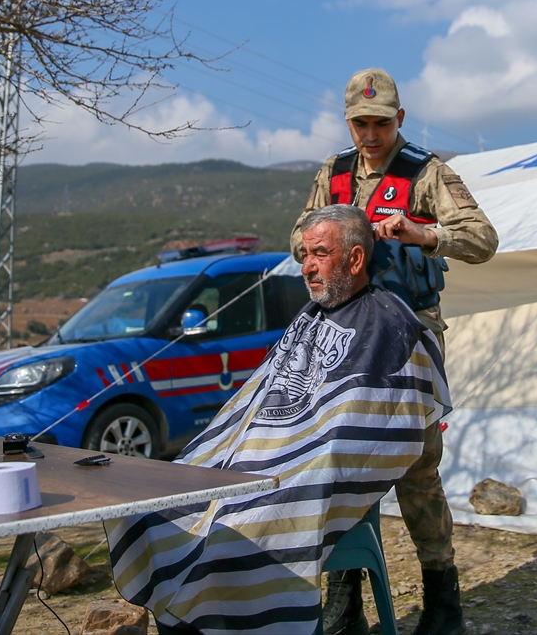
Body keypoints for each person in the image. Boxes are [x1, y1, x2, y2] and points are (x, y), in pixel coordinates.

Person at [106, 205, 451, 635]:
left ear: (357, 259)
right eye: (304, 255)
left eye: (319, 254)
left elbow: (368, 435)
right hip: (263, 458)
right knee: (158, 507)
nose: (306, 267)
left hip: (301, 472)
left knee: (234, 529)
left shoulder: (391, 325)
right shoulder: (312, 316)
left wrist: (290, 463)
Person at [291, 69, 498, 635]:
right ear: (348, 122)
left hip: (410, 338)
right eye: (361, 123)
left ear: (399, 120)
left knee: (415, 466)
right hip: (343, 335)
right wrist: (335, 236)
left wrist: (423, 233)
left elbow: (483, 239)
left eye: (381, 123)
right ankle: (345, 599)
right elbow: (297, 238)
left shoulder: (427, 173)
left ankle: (442, 599)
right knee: (337, 460)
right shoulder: (331, 175)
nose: (371, 134)